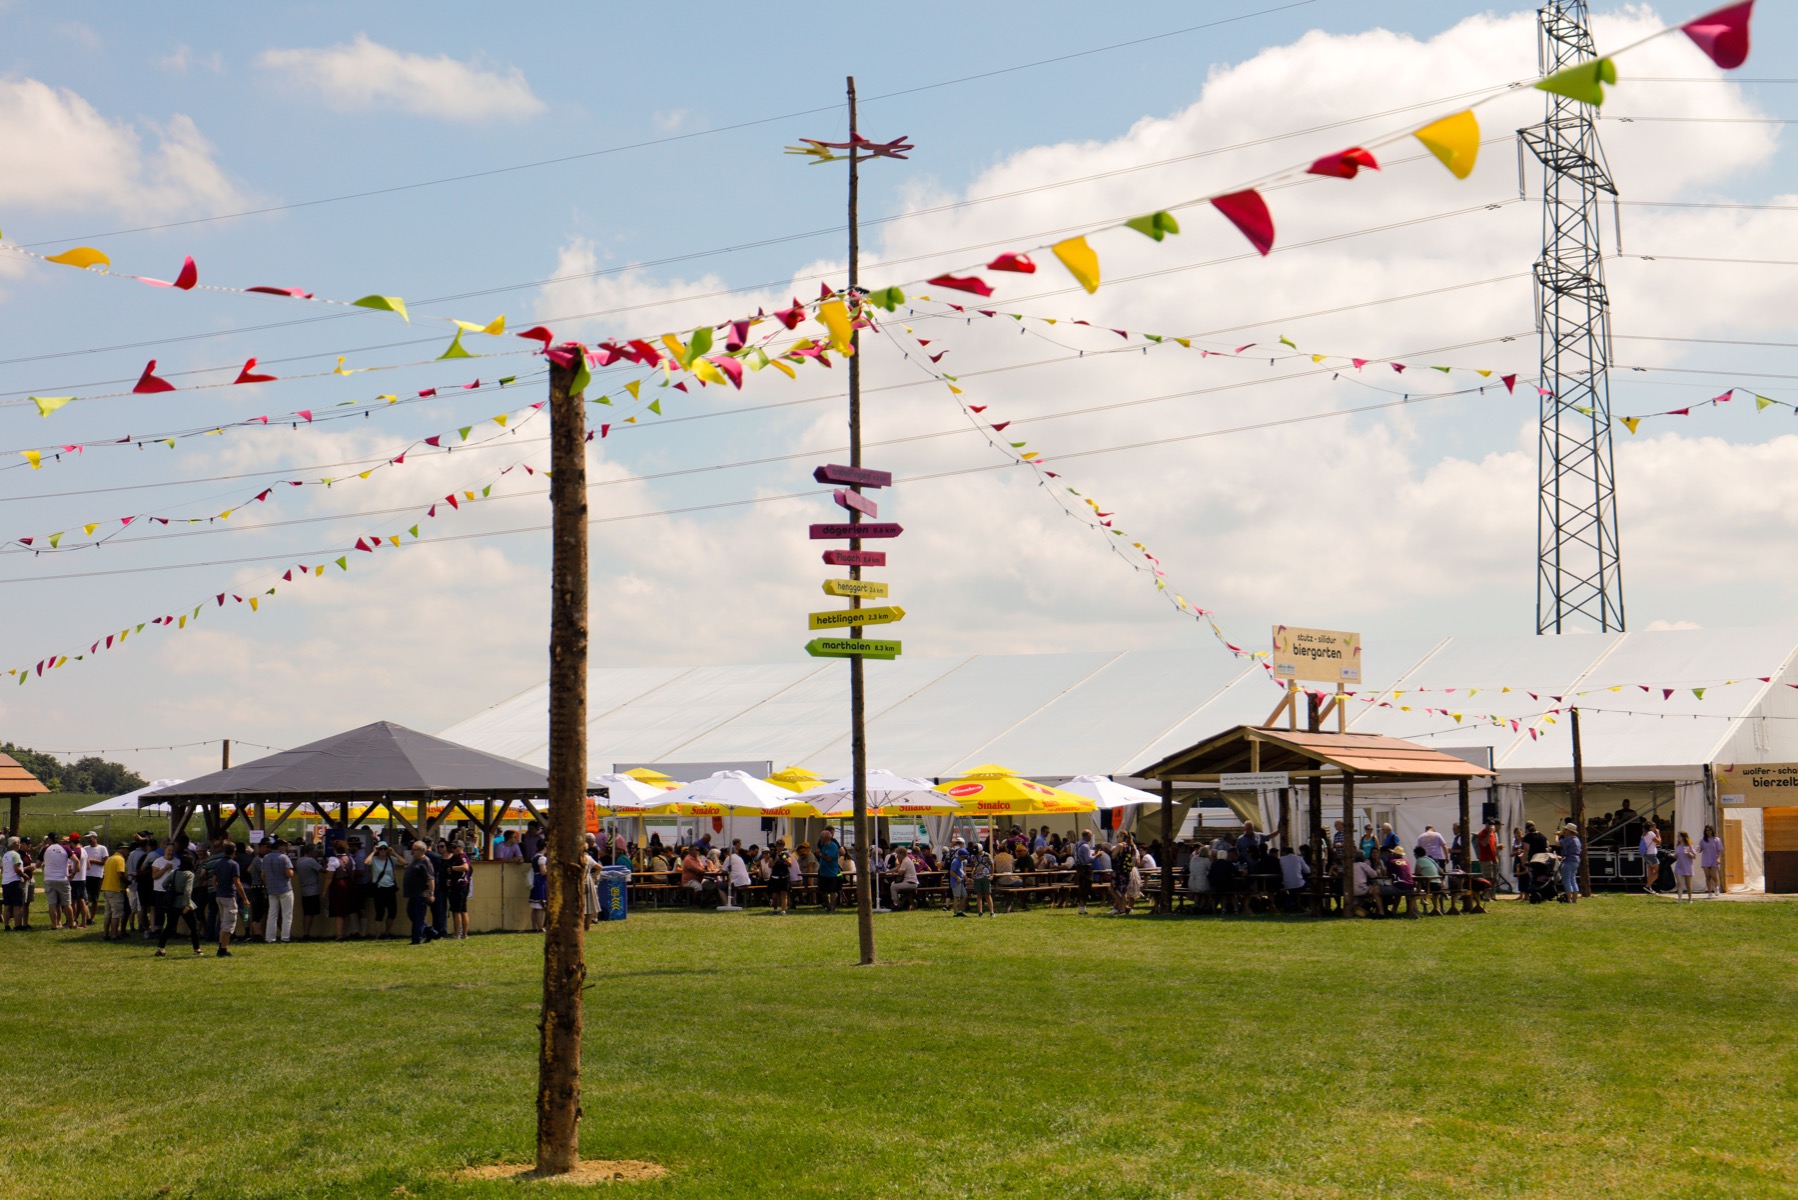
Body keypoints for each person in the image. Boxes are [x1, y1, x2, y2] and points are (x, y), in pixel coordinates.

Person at [155, 852, 203, 957]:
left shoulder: (174, 872)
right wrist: (187, 905)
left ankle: (160, 948)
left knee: (169, 926)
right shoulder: (189, 874)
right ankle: (197, 949)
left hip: (173, 903)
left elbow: (164, 884)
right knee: (193, 927)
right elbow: (188, 891)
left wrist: (172, 891)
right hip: (185, 903)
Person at [212, 840, 247, 956]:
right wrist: (245, 898)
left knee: (223, 922)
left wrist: (218, 890)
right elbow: (237, 882)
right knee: (229, 924)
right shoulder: (234, 864)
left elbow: (213, 881)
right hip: (229, 896)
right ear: (234, 852)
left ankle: (221, 946)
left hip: (219, 896)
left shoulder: (218, 863)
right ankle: (223, 949)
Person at [404, 842, 441, 944]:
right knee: (412, 914)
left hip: (421, 894)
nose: (412, 852)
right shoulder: (416, 860)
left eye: (415, 850)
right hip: (413, 894)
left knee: (418, 917)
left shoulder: (425, 862)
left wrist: (431, 893)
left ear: (422, 851)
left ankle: (416, 939)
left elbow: (430, 879)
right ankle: (430, 932)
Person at [260, 839, 294, 943]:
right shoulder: (284, 857)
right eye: (285, 846)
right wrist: (292, 871)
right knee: (287, 914)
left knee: (272, 914)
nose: (286, 848)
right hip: (285, 888)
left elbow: (262, 875)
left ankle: (270, 938)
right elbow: (289, 873)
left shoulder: (266, 858)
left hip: (271, 889)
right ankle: (285, 937)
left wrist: (268, 883)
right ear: (280, 847)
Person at [366, 842, 401, 937]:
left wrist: (394, 853)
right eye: (380, 848)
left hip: (390, 888)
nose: (383, 850)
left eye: (385, 848)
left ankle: (387, 932)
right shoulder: (374, 859)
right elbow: (366, 862)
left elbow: (404, 862)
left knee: (392, 912)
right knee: (380, 912)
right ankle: (377, 934)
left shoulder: (391, 859)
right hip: (379, 889)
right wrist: (373, 852)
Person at [41, 832, 74, 931]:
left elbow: (38, 864)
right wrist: (73, 874)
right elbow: (76, 860)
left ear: (49, 840)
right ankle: (71, 923)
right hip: (62, 879)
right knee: (67, 904)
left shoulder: (45, 849)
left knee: (52, 903)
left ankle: (54, 925)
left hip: (49, 879)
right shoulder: (65, 848)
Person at [294, 845, 327, 940]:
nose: (316, 853)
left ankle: (306, 932)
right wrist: (325, 863)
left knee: (307, 912)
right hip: (312, 890)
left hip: (304, 890)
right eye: (315, 851)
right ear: (310, 851)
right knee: (310, 913)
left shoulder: (299, 860)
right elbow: (324, 870)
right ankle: (306, 934)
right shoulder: (310, 861)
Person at [99, 842, 130, 940]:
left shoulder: (110, 859)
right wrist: (128, 882)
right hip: (116, 889)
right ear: (122, 849)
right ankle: (114, 934)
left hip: (106, 888)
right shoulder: (120, 859)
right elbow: (120, 874)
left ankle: (105, 934)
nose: (128, 852)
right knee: (116, 913)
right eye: (127, 849)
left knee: (108, 913)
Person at [444, 841, 472, 938]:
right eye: (452, 848)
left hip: (459, 887)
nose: (453, 850)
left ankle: (457, 934)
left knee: (457, 911)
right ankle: (464, 934)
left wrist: (452, 868)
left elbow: (465, 867)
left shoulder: (462, 857)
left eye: (455, 847)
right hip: (461, 886)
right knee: (463, 910)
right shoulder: (457, 857)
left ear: (461, 847)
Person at [815, 828, 844, 914]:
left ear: (826, 838)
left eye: (821, 837)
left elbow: (829, 858)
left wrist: (820, 854)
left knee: (832, 891)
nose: (820, 838)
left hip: (832, 872)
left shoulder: (833, 846)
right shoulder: (822, 845)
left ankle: (832, 908)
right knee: (822, 890)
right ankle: (828, 905)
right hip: (822, 871)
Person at [2, 835, 26, 930]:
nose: (20, 844)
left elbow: (3, 869)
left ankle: (7, 925)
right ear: (15, 843)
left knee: (7, 905)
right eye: (19, 842)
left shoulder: (5, 855)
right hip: (14, 881)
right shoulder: (15, 855)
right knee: (18, 905)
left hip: (5, 882)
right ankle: (18, 925)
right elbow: (17, 869)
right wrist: (24, 876)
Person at [886, 846, 919, 911]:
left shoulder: (905, 861)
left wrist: (895, 872)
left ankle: (896, 904)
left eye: (897, 854)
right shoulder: (906, 860)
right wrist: (887, 871)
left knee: (893, 886)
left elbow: (900, 872)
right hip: (911, 882)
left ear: (901, 854)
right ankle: (899, 903)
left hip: (910, 883)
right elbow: (897, 868)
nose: (897, 856)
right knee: (893, 884)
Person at [1557, 823, 1583, 903]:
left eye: (1565, 829)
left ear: (1569, 831)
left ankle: (1568, 899)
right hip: (1576, 860)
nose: (1564, 831)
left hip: (1568, 860)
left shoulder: (1569, 838)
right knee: (1573, 879)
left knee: (1566, 880)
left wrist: (1556, 836)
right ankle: (1574, 899)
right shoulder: (1576, 839)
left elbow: (1558, 843)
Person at [1279, 843, 1310, 911]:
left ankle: (1294, 905)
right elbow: (1307, 871)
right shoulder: (1299, 858)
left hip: (1286, 884)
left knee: (1293, 892)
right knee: (1308, 886)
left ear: (1284, 852)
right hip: (1299, 883)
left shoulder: (1281, 859)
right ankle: (1304, 904)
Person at [968, 840, 995, 917]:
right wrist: (972, 873)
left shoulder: (987, 855)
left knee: (987, 894)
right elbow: (973, 865)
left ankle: (991, 912)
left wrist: (992, 875)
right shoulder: (973, 856)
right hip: (977, 877)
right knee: (979, 894)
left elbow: (992, 865)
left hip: (986, 876)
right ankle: (980, 912)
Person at [1072, 829, 1095, 915]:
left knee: (1081, 888)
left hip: (1078, 868)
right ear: (1087, 835)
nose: (1091, 837)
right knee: (1086, 888)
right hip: (1085, 868)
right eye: (1091, 835)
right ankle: (1082, 908)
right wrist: (1096, 855)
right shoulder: (1085, 846)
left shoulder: (1077, 845)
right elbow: (1087, 860)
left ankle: (1082, 908)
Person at [1699, 824, 1725, 896]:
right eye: (1707, 830)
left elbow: (1719, 850)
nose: (1708, 832)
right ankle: (1709, 892)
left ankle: (1716, 887)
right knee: (1707, 876)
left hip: (1714, 859)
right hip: (1705, 859)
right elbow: (1700, 850)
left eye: (1709, 830)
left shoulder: (1716, 839)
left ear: (1712, 831)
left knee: (1714, 875)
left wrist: (1718, 858)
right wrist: (1698, 848)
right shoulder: (1703, 840)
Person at [1672, 831, 1698, 902]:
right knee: (1679, 883)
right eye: (1677, 836)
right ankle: (1679, 899)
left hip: (1687, 866)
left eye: (1679, 836)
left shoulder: (1689, 846)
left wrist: (1689, 853)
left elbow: (1694, 856)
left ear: (1683, 837)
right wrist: (1672, 855)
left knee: (1688, 884)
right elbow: (1676, 856)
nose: (1678, 838)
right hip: (1679, 866)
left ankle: (1690, 899)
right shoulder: (1678, 846)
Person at [528, 845, 549, 932]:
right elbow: (543, 871)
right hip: (541, 881)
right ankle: (540, 927)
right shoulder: (542, 858)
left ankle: (534, 927)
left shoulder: (534, 857)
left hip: (535, 881)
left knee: (535, 907)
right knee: (540, 906)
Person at [767, 848, 794, 915]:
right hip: (775, 877)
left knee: (784, 894)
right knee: (774, 896)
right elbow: (770, 865)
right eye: (779, 845)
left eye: (781, 845)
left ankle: (783, 910)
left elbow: (790, 864)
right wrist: (776, 859)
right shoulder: (773, 855)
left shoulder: (786, 854)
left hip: (784, 876)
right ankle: (775, 909)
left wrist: (785, 859)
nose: (780, 847)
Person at [1639, 822, 1662, 894]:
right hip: (1651, 855)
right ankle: (1647, 886)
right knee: (1658, 871)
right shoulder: (1651, 833)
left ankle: (1649, 888)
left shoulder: (1644, 834)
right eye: (1654, 827)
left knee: (1650, 872)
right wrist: (1658, 833)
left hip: (1646, 855)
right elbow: (1659, 842)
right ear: (1650, 827)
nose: (1655, 828)